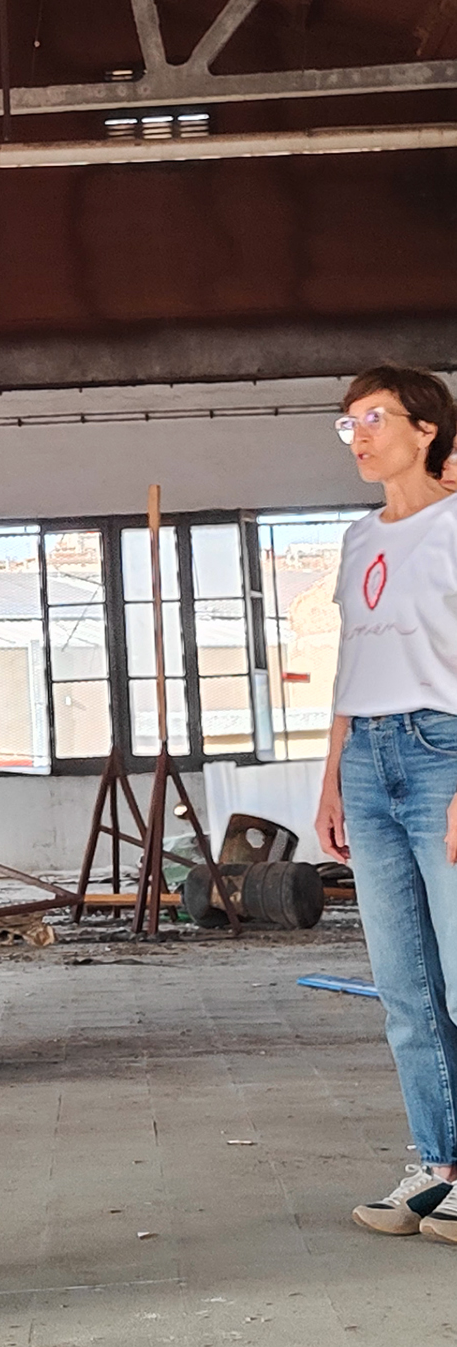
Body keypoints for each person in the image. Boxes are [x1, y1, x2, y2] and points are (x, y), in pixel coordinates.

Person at [315, 364, 457, 1242]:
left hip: (444, 751)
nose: (358, 436)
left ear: (425, 428)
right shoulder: (357, 537)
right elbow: (351, 660)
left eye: (373, 418)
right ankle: (438, 1166)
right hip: (367, 758)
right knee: (405, 987)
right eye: (348, 423)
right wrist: (332, 773)